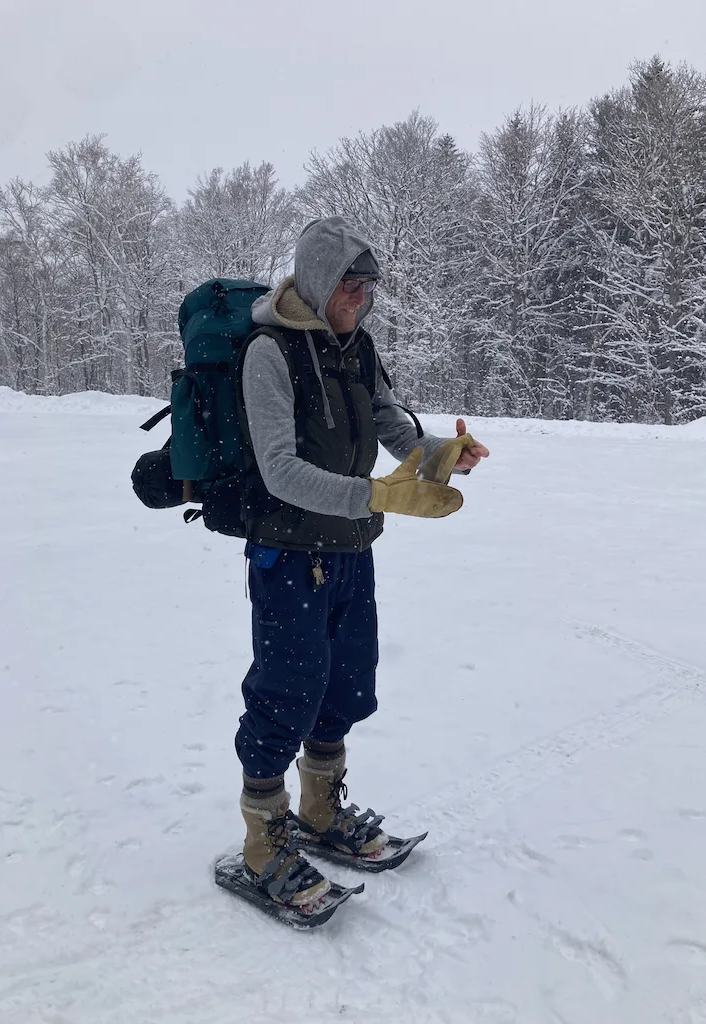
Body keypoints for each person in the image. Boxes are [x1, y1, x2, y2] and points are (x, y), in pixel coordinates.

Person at [235, 216, 489, 908]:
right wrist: (378, 493)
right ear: (319, 282)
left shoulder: (357, 346)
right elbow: (280, 470)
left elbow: (385, 420)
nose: (361, 296)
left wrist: (436, 453)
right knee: (286, 689)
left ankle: (319, 810)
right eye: (350, 283)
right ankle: (263, 840)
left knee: (346, 683)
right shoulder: (270, 351)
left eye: (369, 285)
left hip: (350, 549)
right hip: (286, 552)